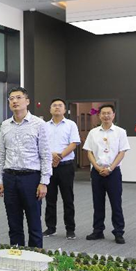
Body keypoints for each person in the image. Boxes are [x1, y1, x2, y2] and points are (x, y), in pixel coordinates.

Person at [0, 87, 51, 248]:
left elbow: (45, 154)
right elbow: (1, 154)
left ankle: (36, 257)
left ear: (27, 101)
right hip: (10, 178)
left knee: (34, 223)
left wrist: (44, 182)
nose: (14, 101)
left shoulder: (39, 124)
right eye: (11, 98)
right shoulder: (5, 125)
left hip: (31, 178)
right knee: (14, 223)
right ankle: (16, 255)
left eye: (18, 97)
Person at [83, 104, 130, 244]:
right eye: (103, 113)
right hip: (96, 172)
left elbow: (122, 152)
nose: (106, 116)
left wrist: (110, 168)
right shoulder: (93, 133)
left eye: (109, 113)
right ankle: (98, 231)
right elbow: (89, 152)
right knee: (98, 203)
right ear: (99, 115)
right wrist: (97, 168)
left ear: (113, 115)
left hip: (113, 172)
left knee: (116, 203)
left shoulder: (120, 132)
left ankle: (118, 232)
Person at [44, 99, 81, 240]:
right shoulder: (44, 126)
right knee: (50, 199)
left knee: (68, 199)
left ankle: (70, 229)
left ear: (65, 110)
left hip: (66, 166)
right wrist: (52, 156)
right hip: (49, 166)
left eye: (60, 105)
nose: (57, 107)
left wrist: (59, 156)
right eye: (54, 105)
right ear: (50, 109)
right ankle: (50, 228)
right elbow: (41, 144)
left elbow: (73, 144)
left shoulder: (71, 125)